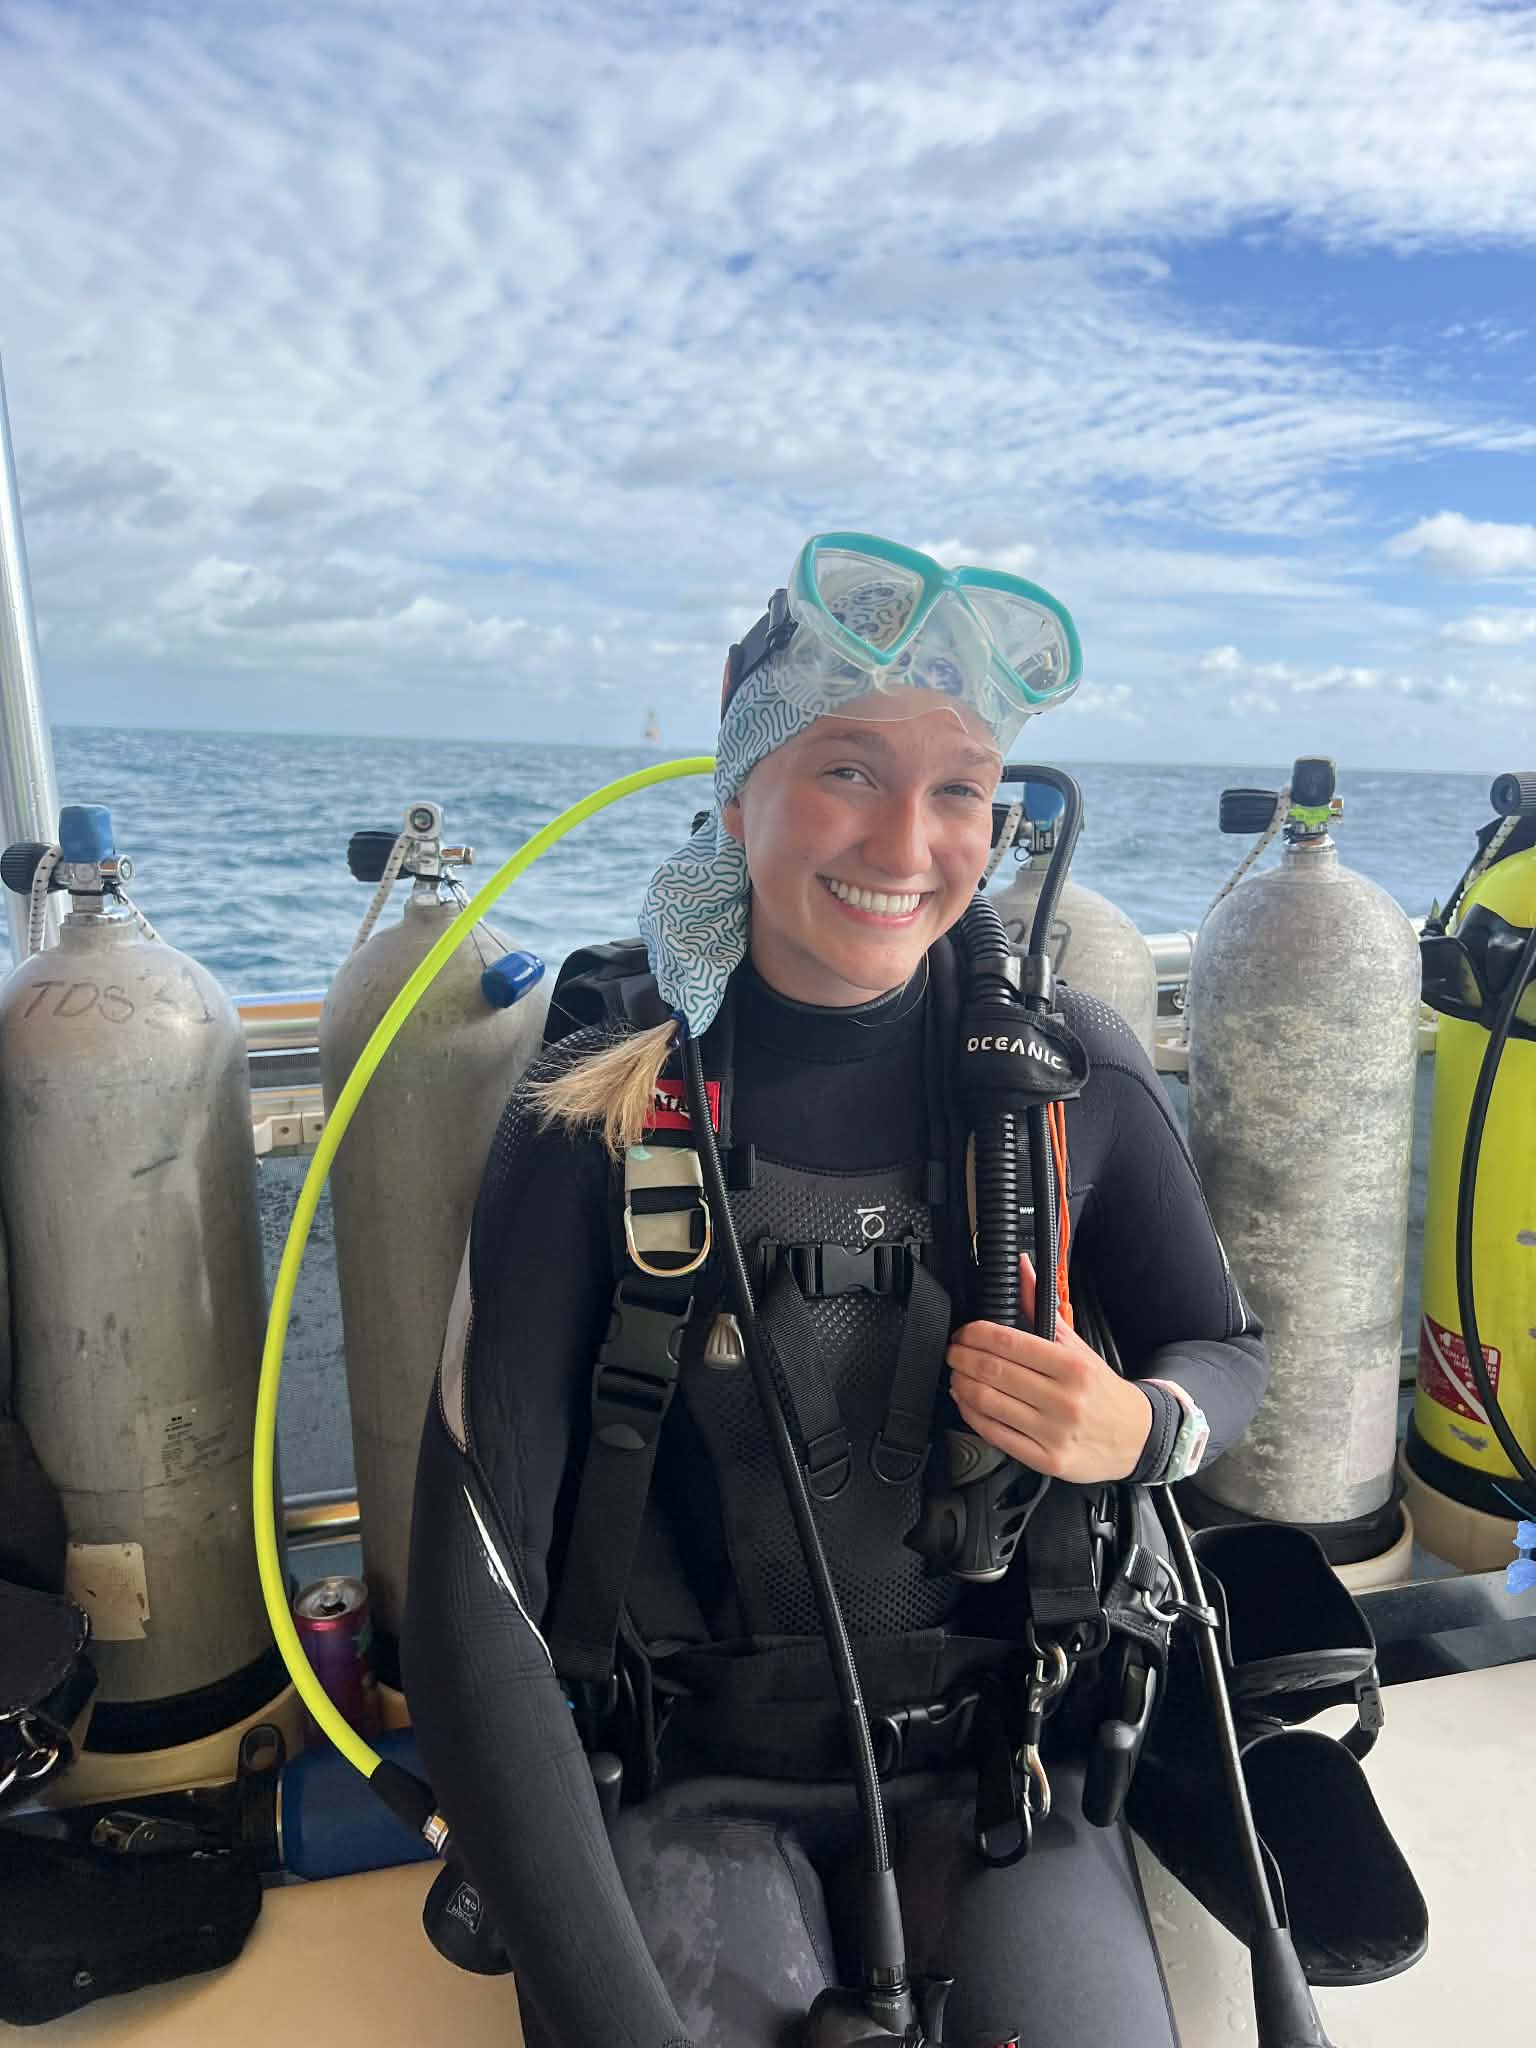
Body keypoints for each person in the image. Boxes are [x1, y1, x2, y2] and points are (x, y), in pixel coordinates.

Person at [404, 533, 1267, 2048]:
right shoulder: (592, 1118)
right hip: (690, 1791)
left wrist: (1146, 1428)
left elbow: (1225, 1354)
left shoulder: (1070, 1080)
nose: (906, 840)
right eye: (849, 770)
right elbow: (479, 1599)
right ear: (740, 796)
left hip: (1006, 1772)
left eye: (958, 791)